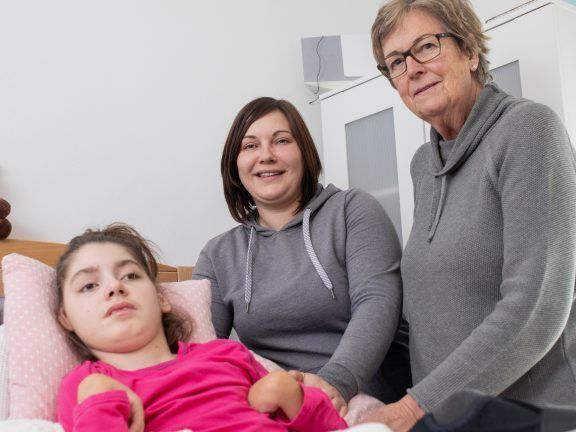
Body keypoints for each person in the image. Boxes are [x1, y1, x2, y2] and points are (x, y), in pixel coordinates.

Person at [366, 0, 576, 430]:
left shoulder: (528, 130)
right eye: (396, 62)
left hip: (532, 417)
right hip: (450, 418)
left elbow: (536, 308)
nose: (412, 69)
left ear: (470, 51)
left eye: (426, 46)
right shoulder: (423, 165)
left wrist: (414, 407)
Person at [193, 97, 410, 414]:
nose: (266, 155)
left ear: (304, 153)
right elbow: (199, 350)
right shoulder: (218, 255)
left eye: (281, 140)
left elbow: (377, 302)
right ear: (234, 166)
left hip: (364, 401)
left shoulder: (352, 210)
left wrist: (334, 384)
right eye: (250, 146)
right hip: (279, 409)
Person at [55, 224, 348, 432]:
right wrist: (103, 400)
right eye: (89, 285)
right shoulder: (86, 385)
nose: (114, 287)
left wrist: (293, 397)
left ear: (161, 298)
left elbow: (333, 427)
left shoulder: (227, 355)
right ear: (66, 317)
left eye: (130, 275)